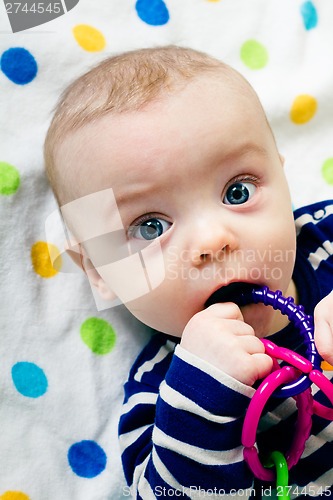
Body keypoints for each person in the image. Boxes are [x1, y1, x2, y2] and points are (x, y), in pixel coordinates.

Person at [44, 46, 333, 499]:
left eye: (237, 191)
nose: (212, 241)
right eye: (150, 226)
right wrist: (204, 399)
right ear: (99, 271)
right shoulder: (163, 402)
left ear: (282, 174)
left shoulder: (327, 240)